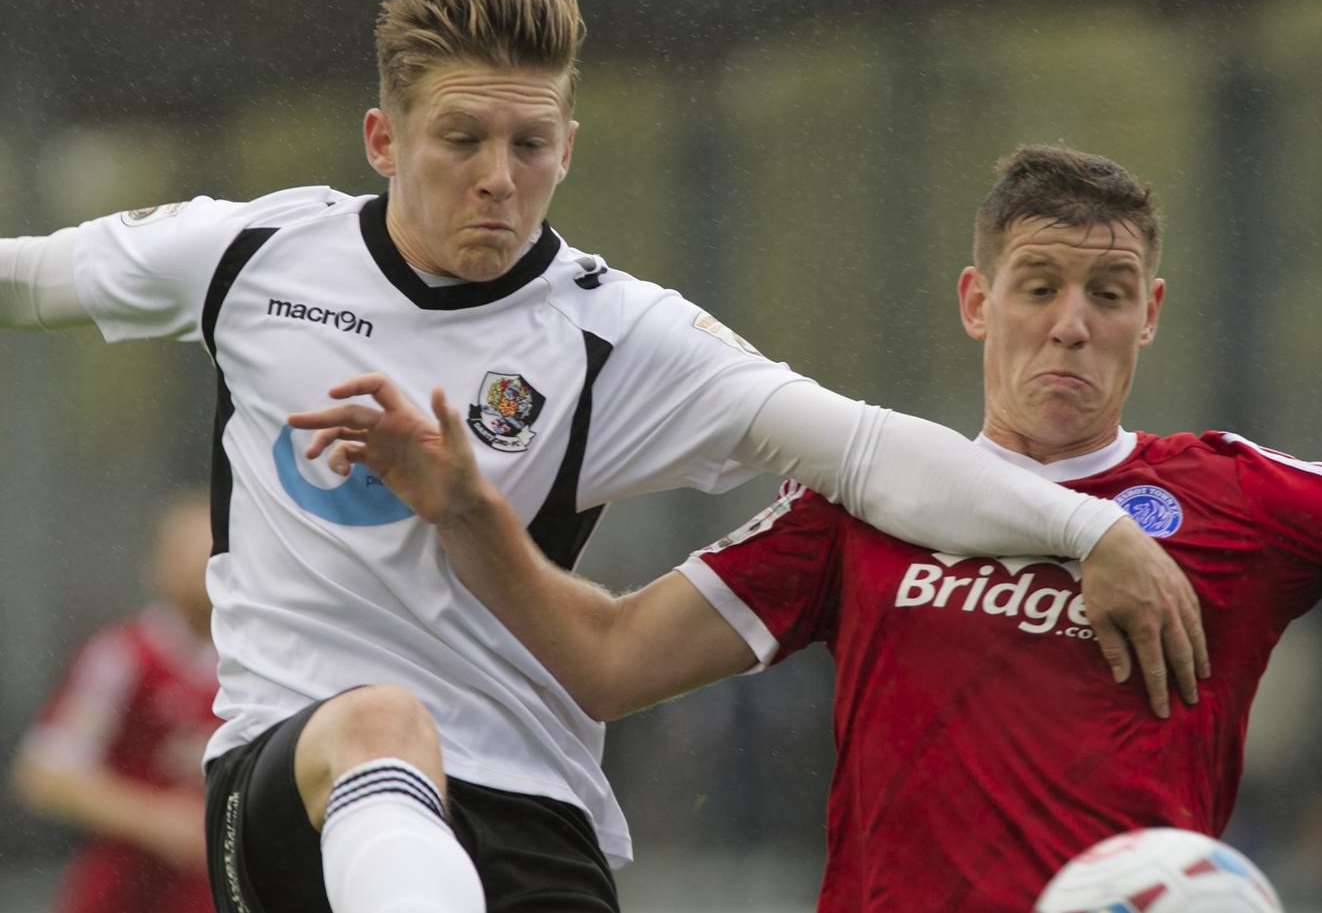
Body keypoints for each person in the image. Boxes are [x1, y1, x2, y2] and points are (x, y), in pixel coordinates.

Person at [0, 0, 1204, 912]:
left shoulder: (616, 335)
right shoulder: (254, 256)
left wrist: (1082, 527)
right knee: (380, 719)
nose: (498, 179)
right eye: (460, 140)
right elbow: (30, 277)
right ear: (382, 140)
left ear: (567, 146)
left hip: (528, 808)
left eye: (530, 147)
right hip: (292, 787)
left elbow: (862, 451)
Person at [299, 145, 1322, 913]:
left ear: (1147, 313)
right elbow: (605, 659)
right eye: (1037, 286)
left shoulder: (1233, 498)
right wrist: (468, 510)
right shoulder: (859, 505)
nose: (1069, 323)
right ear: (976, 301)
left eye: (1105, 294)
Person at [10, 493, 218, 913]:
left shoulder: (261, 666)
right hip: (124, 894)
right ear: (156, 566)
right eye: (187, 551)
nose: (202, 565)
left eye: (212, 549)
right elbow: (43, 774)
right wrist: (154, 818)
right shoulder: (123, 657)